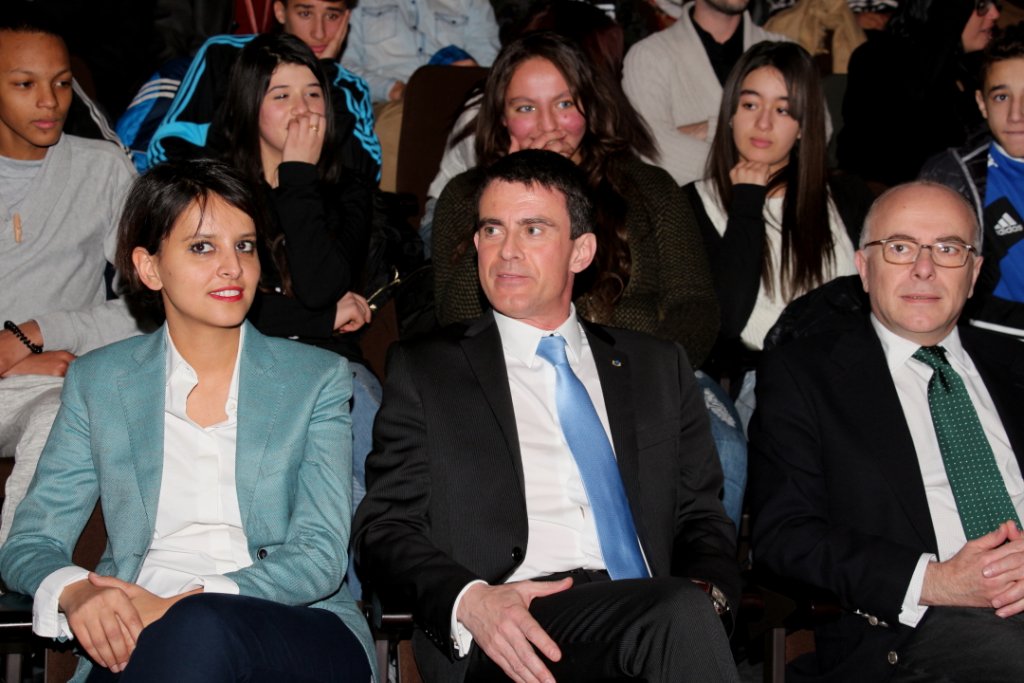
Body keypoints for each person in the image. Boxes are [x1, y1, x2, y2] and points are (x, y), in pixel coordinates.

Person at [355, 149, 740, 683]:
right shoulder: (428, 369)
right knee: (673, 615)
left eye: (533, 229)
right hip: (512, 626)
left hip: (651, 611)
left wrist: (709, 592)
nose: (507, 250)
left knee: (679, 611)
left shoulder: (655, 366)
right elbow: (383, 529)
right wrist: (471, 602)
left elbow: (701, 518)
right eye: (492, 230)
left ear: (581, 251)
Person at [0, 160, 376, 683]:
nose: (232, 267)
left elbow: (319, 556)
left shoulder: (316, 379)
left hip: (296, 625)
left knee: (198, 627)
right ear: (149, 267)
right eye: (202, 247)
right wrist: (76, 589)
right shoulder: (99, 381)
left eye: (244, 246)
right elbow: (30, 541)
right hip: (138, 628)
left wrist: (186, 602)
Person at [749, 181, 1024, 682]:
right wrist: (934, 581)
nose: (924, 268)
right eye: (899, 248)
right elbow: (784, 536)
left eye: (948, 248)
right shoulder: (805, 376)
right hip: (909, 634)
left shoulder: (1017, 366)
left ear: (975, 271)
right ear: (864, 267)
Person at [209, 33, 379, 593]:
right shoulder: (216, 191)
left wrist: (297, 179)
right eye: (281, 95)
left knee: (347, 461)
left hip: (332, 367)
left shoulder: (348, 186)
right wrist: (316, 319)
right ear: (249, 105)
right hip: (235, 363)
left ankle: (348, 614)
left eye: (313, 94)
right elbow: (223, 310)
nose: (303, 110)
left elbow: (322, 284)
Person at [0, 15, 140, 546]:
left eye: (61, 83)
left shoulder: (102, 168)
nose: (49, 101)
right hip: (30, 371)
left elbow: (152, 302)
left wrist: (40, 331)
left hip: (54, 383)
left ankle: (22, 580)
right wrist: (16, 355)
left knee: (62, 412)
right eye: (24, 84)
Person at [683, 41, 868, 423]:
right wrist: (747, 202)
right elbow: (727, 322)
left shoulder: (846, 197)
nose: (763, 123)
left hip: (852, 373)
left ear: (803, 126)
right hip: (765, 383)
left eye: (783, 110)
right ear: (730, 113)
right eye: (750, 105)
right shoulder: (692, 203)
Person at [145, 0, 381, 183]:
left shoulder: (350, 86)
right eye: (305, 13)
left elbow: (364, 177)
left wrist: (324, 75)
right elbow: (166, 149)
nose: (319, 32)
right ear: (280, 11)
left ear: (347, 18)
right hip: (223, 206)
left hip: (311, 221)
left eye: (332, 15)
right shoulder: (224, 54)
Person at [920, 22, 1024, 339]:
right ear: (981, 103)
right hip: (991, 341)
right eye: (1002, 97)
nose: (1016, 114)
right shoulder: (951, 177)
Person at [622, 0, 788, 186]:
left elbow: (816, 136)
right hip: (687, 212)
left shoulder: (785, 49)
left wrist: (698, 131)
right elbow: (654, 154)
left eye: (782, 109)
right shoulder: (648, 56)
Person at [839, 0, 1001, 188]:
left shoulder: (974, 66)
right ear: (946, 11)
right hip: (900, 202)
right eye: (981, 6)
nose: (995, 14)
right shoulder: (879, 60)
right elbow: (877, 160)